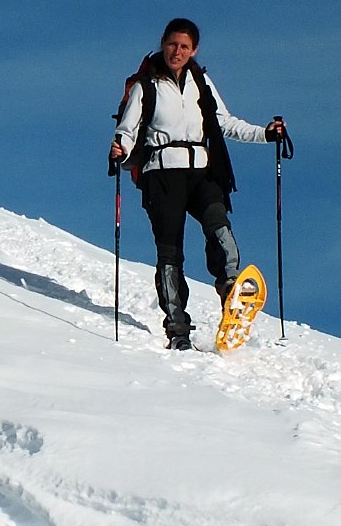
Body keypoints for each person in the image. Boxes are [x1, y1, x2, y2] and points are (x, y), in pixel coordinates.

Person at [110, 18, 285, 350]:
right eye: (173, 44)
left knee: (219, 226)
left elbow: (224, 122)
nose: (178, 52)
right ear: (163, 43)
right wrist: (120, 148)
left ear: (194, 50)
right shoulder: (146, 85)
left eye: (185, 47)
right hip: (161, 173)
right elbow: (128, 130)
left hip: (202, 170)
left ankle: (232, 290)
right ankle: (177, 328)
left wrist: (266, 134)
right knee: (170, 251)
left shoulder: (200, 81)